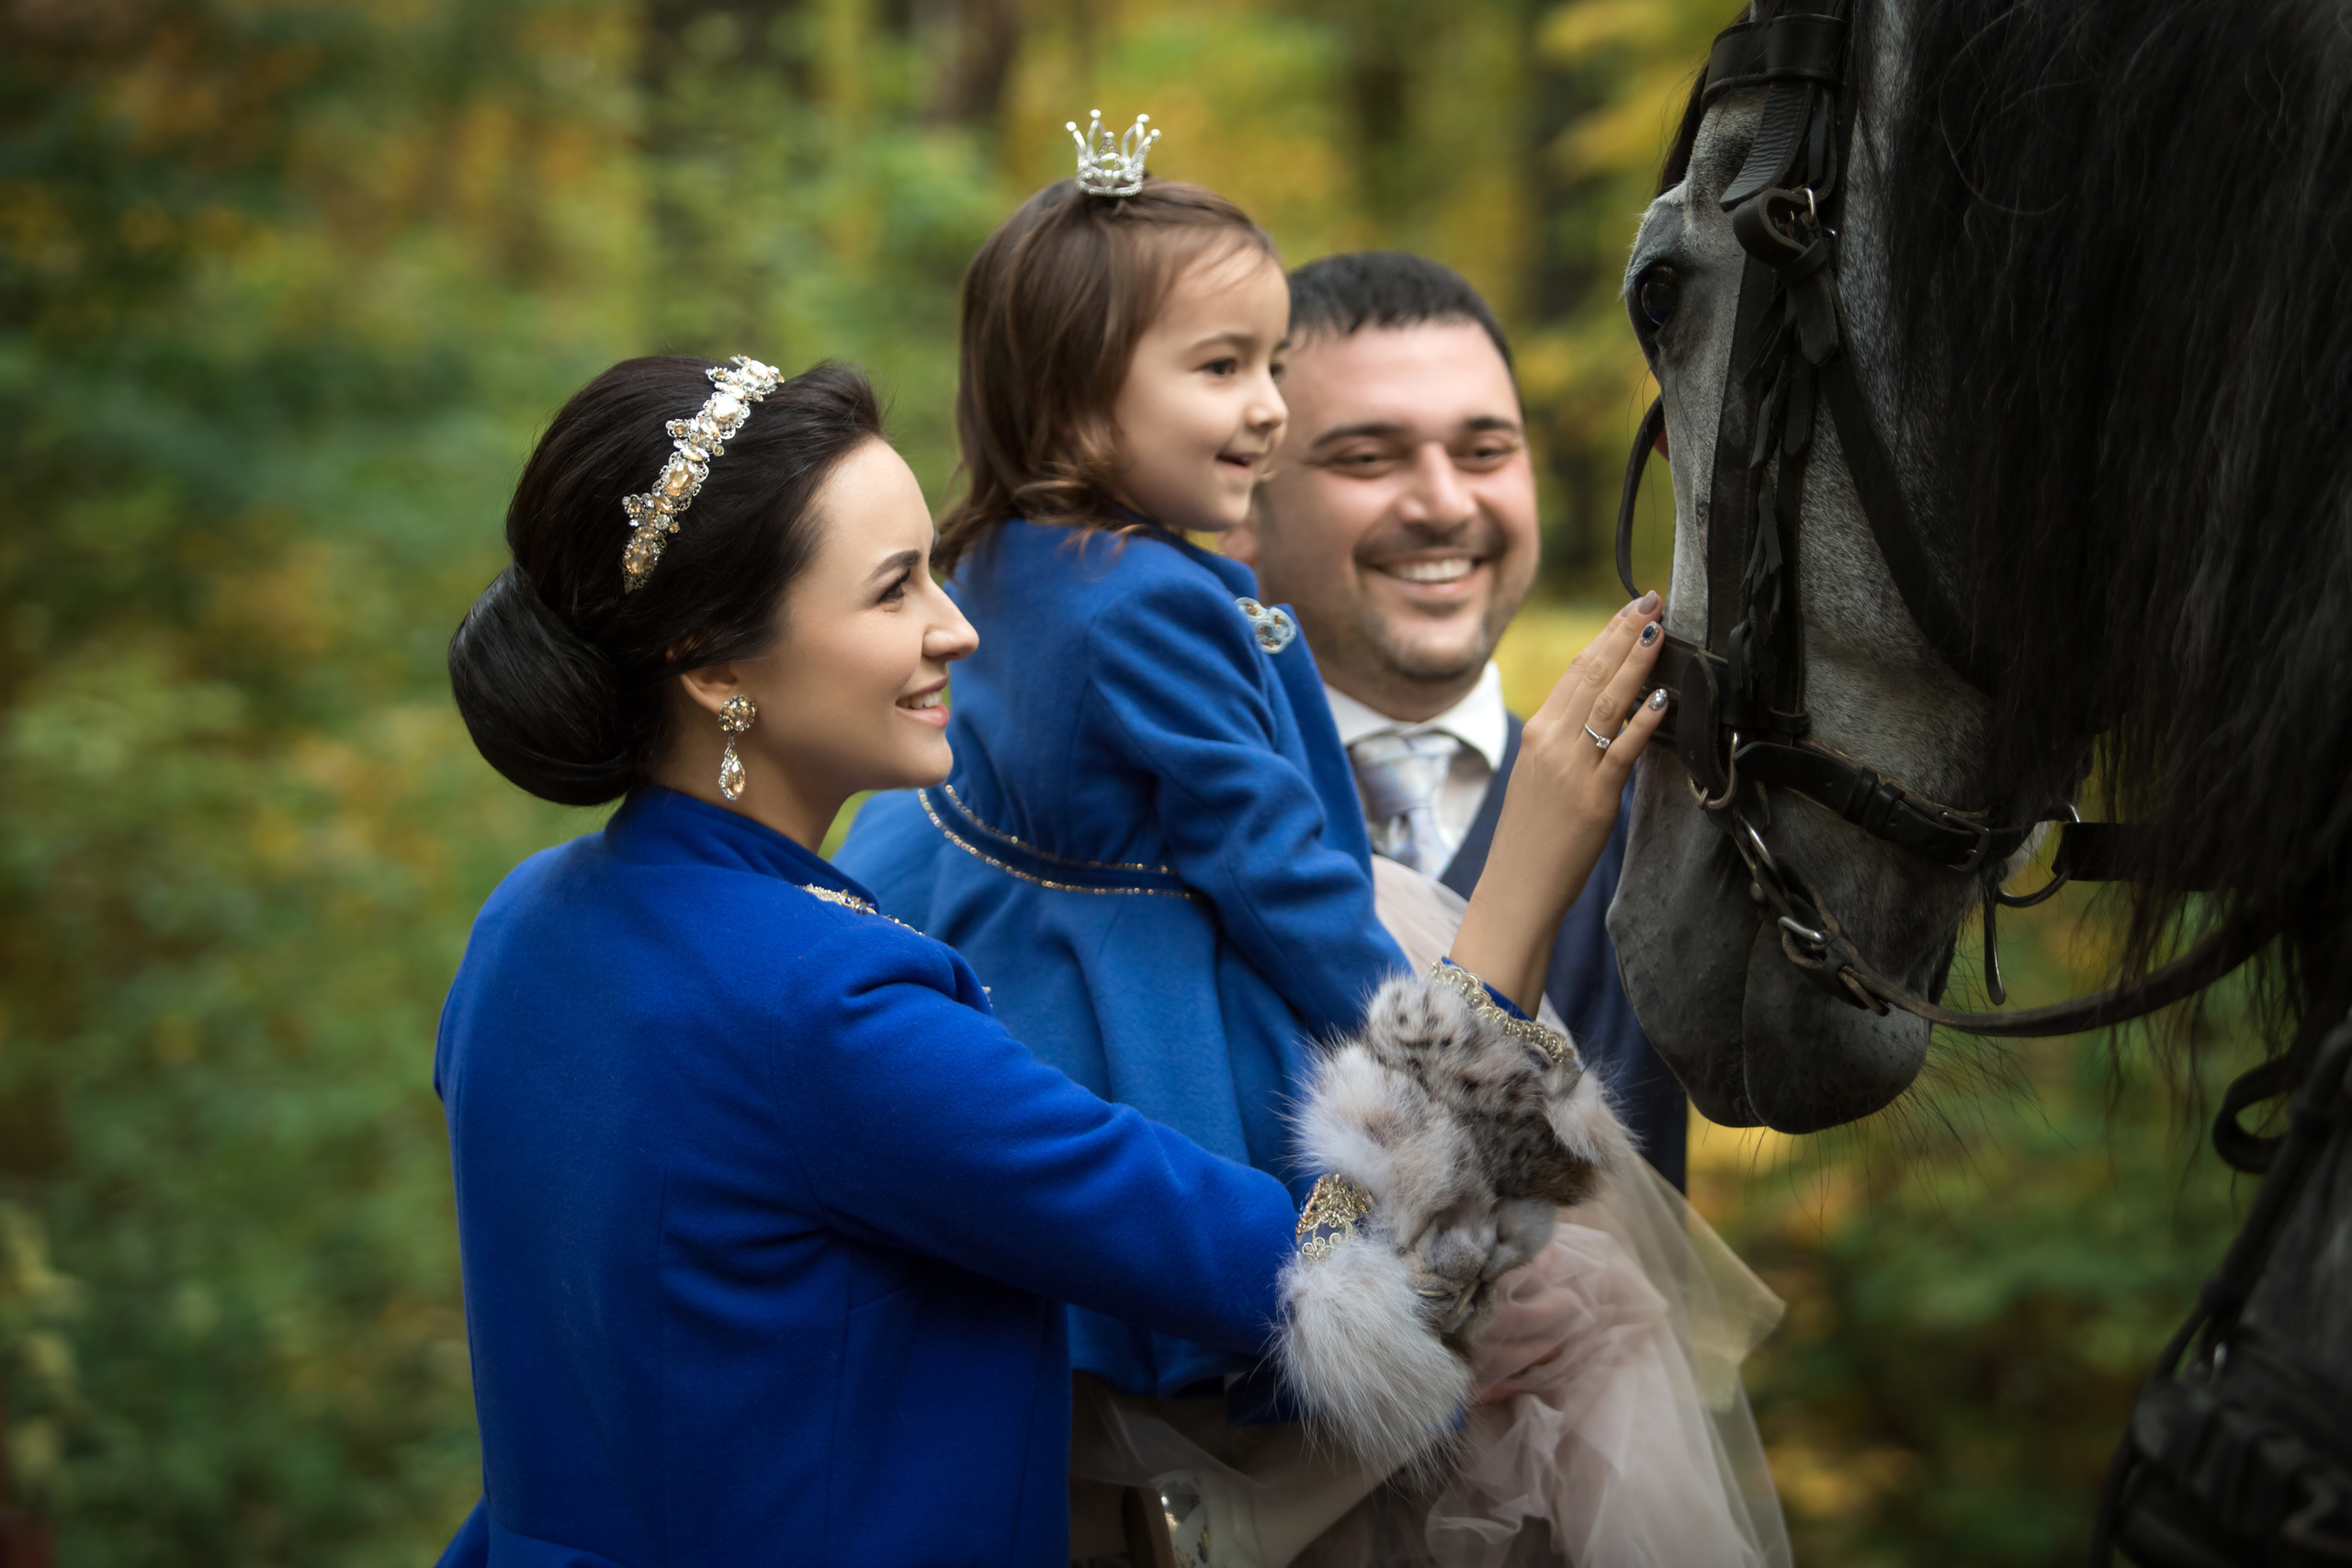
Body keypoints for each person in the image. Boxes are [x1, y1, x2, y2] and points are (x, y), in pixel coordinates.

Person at [427, 351, 1675, 1566]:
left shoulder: (529, 924)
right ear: (712, 663)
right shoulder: (831, 1008)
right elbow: (1336, 1277)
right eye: (892, 590)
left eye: (938, 572)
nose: (956, 629)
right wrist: (1514, 894)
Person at [836, 126, 1783, 1567]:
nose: (1265, 409)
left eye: (1486, 446)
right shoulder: (1150, 607)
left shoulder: (1004, 571)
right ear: (1082, 404)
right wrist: (1474, 1084)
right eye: (1232, 375)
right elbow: (1283, 875)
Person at [1223, 251, 1688, 1190]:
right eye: (1365, 457)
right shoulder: (1174, 827)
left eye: (1485, 452)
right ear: (1240, 505)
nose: (1443, 503)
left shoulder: (1668, 808)